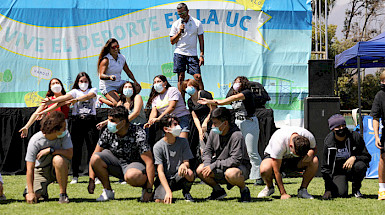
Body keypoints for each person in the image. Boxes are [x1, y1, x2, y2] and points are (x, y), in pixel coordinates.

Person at [198, 76, 263, 185]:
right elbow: (225, 104)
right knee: (237, 149)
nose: (235, 84)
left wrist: (212, 101)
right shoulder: (233, 94)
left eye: (238, 82)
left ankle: (259, 176)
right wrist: (211, 103)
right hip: (237, 122)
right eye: (235, 82)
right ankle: (237, 174)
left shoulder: (246, 93)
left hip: (248, 122)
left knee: (251, 151)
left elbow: (226, 101)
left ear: (243, 84)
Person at [41, 72, 98, 184]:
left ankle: (95, 176)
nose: (83, 83)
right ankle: (75, 175)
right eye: (81, 81)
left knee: (92, 148)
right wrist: (52, 101)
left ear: (89, 82)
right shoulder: (74, 92)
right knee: (76, 148)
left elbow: (89, 96)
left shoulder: (93, 90)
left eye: (85, 81)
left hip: (90, 121)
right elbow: (64, 98)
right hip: (77, 121)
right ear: (77, 82)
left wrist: (77, 100)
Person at [87, 106, 155, 202]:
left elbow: (149, 162)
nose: (109, 123)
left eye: (112, 120)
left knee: (132, 176)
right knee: (95, 158)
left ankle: (144, 188)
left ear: (123, 122)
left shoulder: (138, 133)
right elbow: (95, 153)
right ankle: (108, 191)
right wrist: (91, 180)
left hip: (134, 166)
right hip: (116, 163)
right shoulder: (108, 131)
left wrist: (149, 189)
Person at [196, 107, 252, 202]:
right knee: (200, 169)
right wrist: (207, 165)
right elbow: (207, 151)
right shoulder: (213, 133)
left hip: (238, 168)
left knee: (231, 173)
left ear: (225, 123)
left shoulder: (237, 135)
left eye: (215, 123)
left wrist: (213, 165)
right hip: (221, 166)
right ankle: (218, 191)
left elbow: (235, 160)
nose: (213, 126)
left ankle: (244, 190)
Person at [23, 111, 73, 204]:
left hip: (60, 167)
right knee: (34, 197)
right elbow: (30, 168)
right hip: (41, 171)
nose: (65, 129)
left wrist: (52, 150)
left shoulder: (65, 135)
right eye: (63, 127)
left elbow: (70, 154)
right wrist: (30, 192)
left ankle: (63, 195)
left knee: (58, 159)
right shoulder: (35, 140)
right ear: (55, 130)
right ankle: (42, 192)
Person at [257, 126, 318, 199]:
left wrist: (311, 152)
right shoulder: (279, 141)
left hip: (294, 161)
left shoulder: (308, 136)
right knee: (265, 169)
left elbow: (314, 148)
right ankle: (269, 187)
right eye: (295, 153)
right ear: (290, 146)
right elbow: (276, 171)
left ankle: (303, 190)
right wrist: (283, 193)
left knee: (314, 161)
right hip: (275, 159)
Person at [321, 114, 371, 199]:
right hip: (338, 171)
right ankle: (339, 185)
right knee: (341, 194)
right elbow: (326, 167)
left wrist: (354, 158)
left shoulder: (355, 136)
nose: (341, 128)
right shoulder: (329, 142)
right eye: (338, 127)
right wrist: (328, 189)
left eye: (343, 125)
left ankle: (356, 190)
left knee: (360, 166)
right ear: (332, 129)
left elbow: (367, 156)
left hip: (353, 168)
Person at [153, 114, 195, 204]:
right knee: (159, 201)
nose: (179, 127)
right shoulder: (158, 146)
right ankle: (163, 192)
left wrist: (184, 165)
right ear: (166, 129)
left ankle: (186, 192)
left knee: (190, 173)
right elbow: (160, 171)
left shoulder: (183, 141)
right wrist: (168, 191)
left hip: (178, 177)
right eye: (175, 124)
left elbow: (187, 162)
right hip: (164, 179)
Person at [170, 3, 204, 97]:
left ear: (188, 11)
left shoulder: (197, 23)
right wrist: (179, 32)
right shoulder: (176, 24)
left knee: (198, 77)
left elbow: (201, 40)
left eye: (183, 13)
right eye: (179, 14)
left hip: (192, 54)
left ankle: (202, 99)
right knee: (180, 78)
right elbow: (172, 41)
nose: (181, 16)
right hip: (179, 53)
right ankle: (182, 103)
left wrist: (201, 55)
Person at [183, 79, 216, 169]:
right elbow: (194, 117)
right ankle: (205, 166)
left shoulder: (204, 94)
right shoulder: (189, 101)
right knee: (203, 147)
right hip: (200, 125)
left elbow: (213, 108)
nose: (187, 88)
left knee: (213, 145)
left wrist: (206, 121)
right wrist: (200, 131)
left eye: (189, 86)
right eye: (185, 87)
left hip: (212, 121)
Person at [144, 75, 191, 140]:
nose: (156, 84)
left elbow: (172, 107)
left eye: (159, 81)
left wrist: (159, 118)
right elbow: (153, 111)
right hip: (167, 121)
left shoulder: (172, 90)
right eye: (154, 82)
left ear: (165, 83)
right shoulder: (155, 97)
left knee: (182, 141)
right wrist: (150, 121)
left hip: (181, 118)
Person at [97, 38, 140, 106]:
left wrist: (135, 81)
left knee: (137, 87)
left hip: (119, 83)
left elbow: (128, 71)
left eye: (117, 46)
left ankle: (127, 104)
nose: (116, 49)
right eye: (113, 47)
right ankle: (101, 99)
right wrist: (109, 77)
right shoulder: (106, 60)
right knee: (117, 104)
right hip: (108, 86)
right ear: (109, 49)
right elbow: (101, 75)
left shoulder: (121, 57)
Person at [370, 70, 385, 200]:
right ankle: (382, 190)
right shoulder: (380, 95)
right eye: (382, 80)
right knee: (383, 159)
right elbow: (375, 117)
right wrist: (376, 136)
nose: (383, 83)